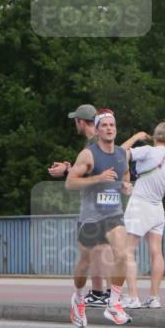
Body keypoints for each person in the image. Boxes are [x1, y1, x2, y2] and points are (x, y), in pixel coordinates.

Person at [65, 108, 134, 328]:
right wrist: (98, 178)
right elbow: (70, 183)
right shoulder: (88, 154)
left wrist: (125, 187)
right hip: (91, 218)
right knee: (84, 263)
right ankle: (78, 298)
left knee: (122, 254)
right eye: (104, 125)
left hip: (113, 215)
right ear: (97, 130)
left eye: (112, 125)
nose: (109, 129)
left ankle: (114, 304)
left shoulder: (122, 154)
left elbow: (125, 176)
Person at [49, 104, 109, 308]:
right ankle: (100, 293)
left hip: (96, 205)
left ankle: (107, 294)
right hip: (103, 203)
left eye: (76, 121)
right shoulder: (96, 142)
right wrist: (69, 168)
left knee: (97, 251)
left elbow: (96, 174)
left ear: (81, 122)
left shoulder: (94, 144)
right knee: (96, 250)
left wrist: (67, 172)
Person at [120, 122, 165, 309]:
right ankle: (154, 297)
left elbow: (119, 154)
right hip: (157, 208)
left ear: (155, 134)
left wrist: (136, 137)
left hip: (140, 205)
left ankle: (133, 297)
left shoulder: (147, 151)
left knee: (128, 251)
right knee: (156, 253)